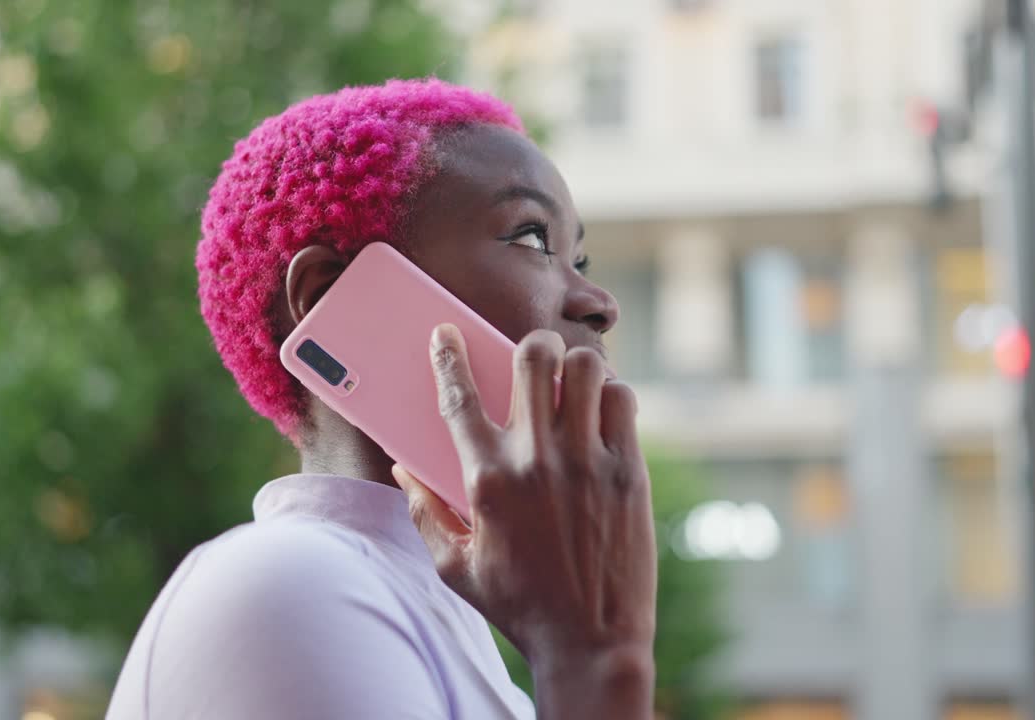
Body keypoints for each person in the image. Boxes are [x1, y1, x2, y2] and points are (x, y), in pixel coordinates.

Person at [106, 78, 657, 720]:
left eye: (580, 261)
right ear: (325, 297)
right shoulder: (287, 586)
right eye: (532, 239)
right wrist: (594, 657)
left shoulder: (445, 613)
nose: (600, 304)